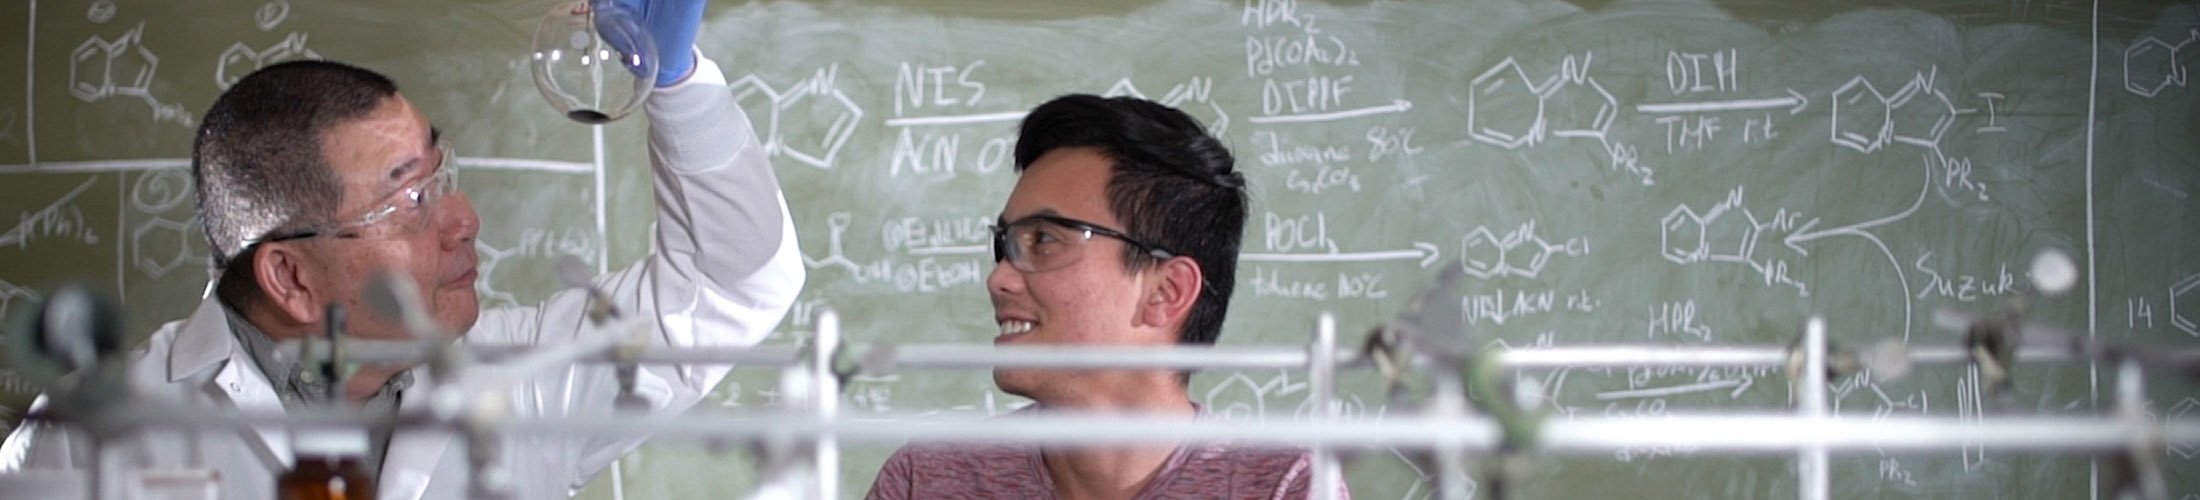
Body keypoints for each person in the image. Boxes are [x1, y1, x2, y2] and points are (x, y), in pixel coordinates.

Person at [0, 0, 803, 498]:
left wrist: (679, 82)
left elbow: (733, 284)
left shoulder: (517, 383)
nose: (462, 220)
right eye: (407, 201)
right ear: (290, 277)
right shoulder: (86, 448)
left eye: (440, 173)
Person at [865, 94, 1345, 500]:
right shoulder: (927, 481)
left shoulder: (1284, 486)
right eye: (1005, 245)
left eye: (1045, 241)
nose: (999, 279)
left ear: (1166, 292)